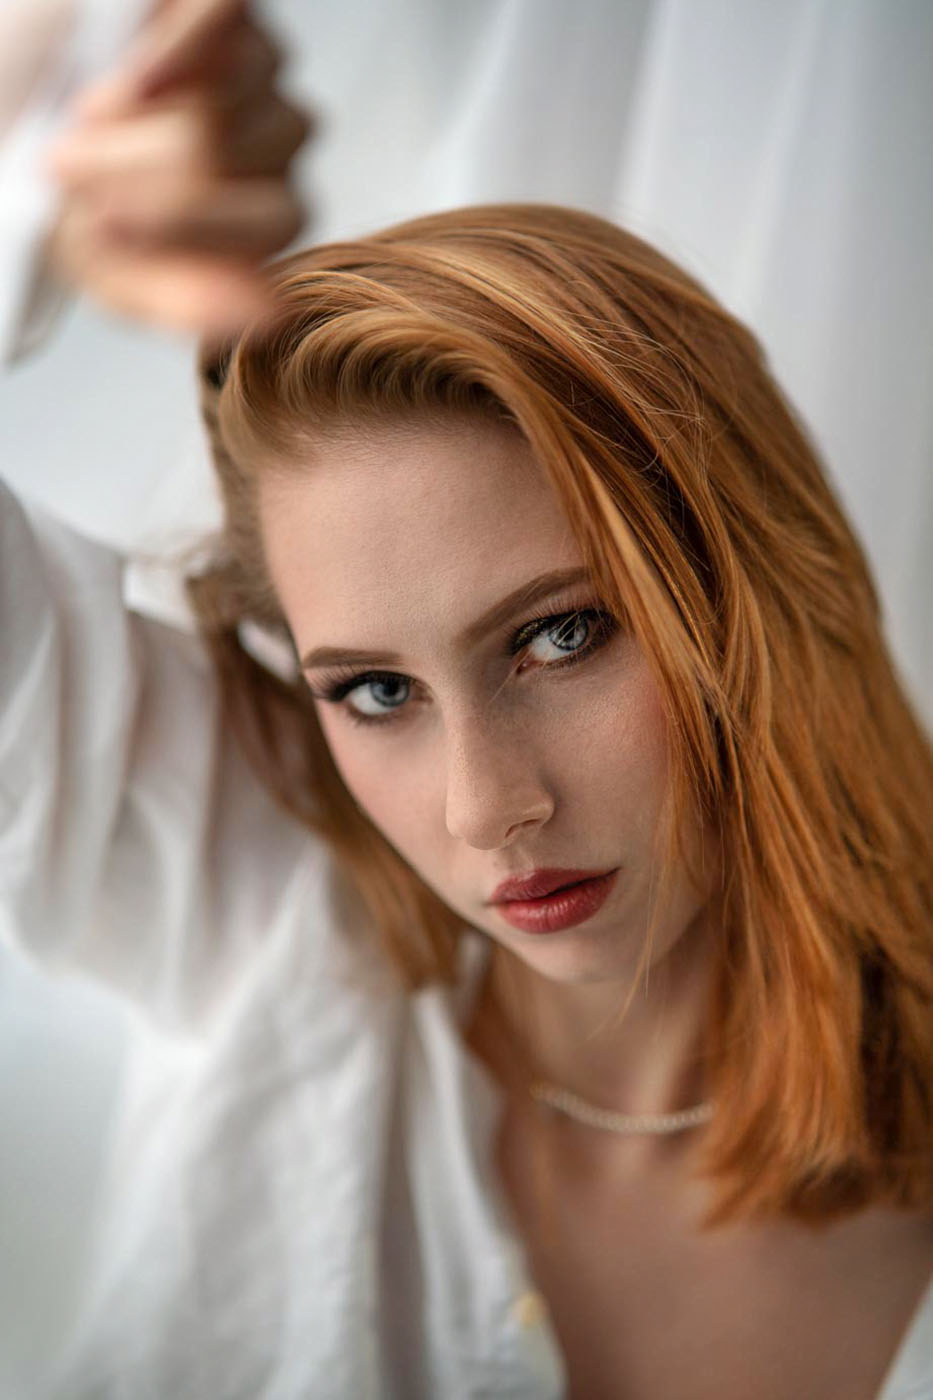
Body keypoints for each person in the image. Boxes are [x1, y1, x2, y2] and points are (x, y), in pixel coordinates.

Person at [1, 3, 931, 1398]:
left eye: (560, 637)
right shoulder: (260, 897)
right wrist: (34, 169)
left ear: (753, 593)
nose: (489, 808)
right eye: (376, 689)